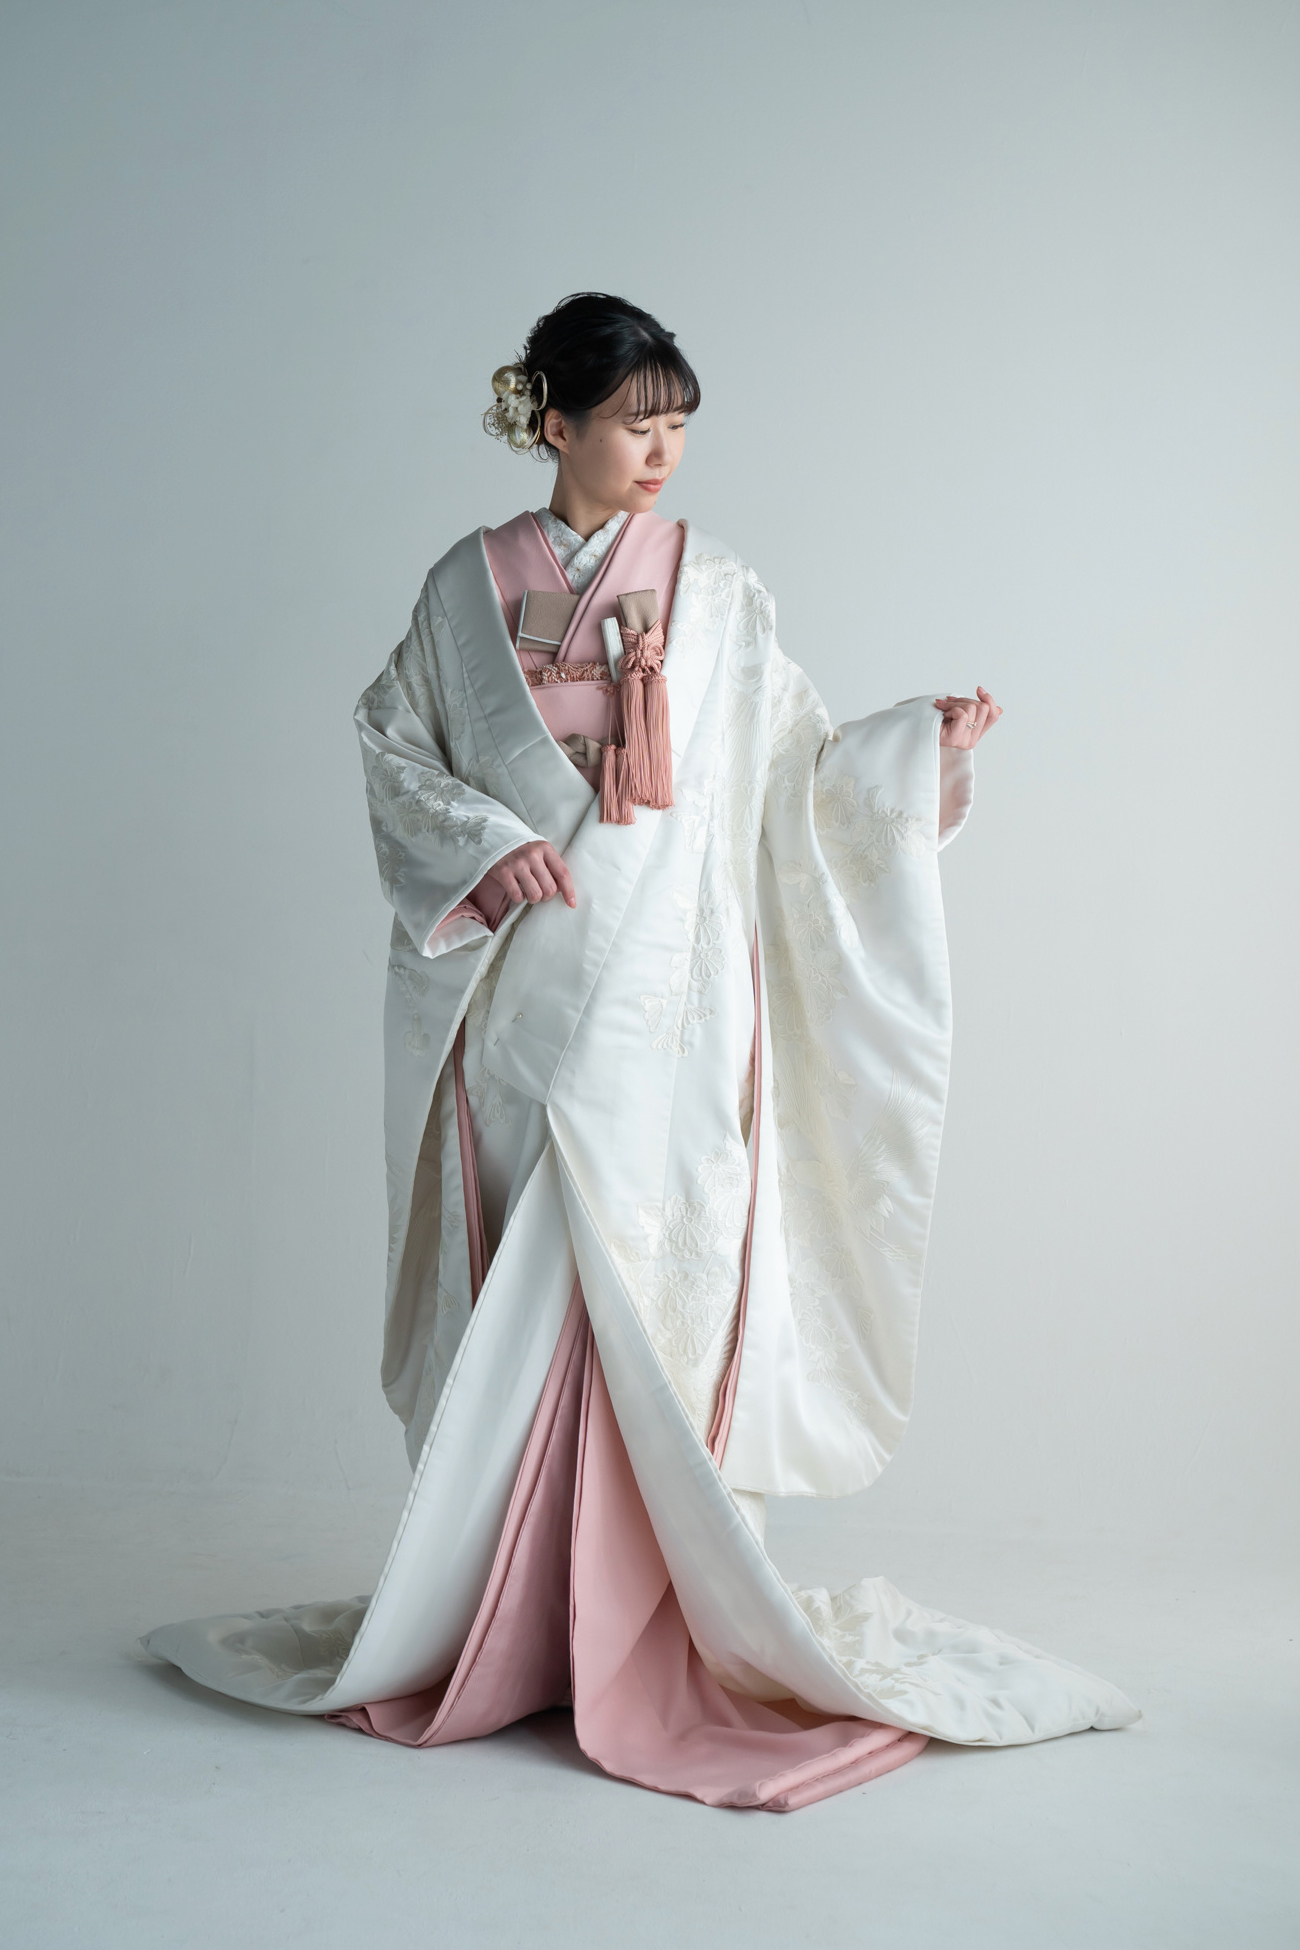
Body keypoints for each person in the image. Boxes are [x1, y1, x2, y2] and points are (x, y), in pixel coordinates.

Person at [144, 294, 1136, 1810]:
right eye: (632, 422)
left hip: (671, 1010)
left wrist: (917, 755)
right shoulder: (465, 589)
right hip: (521, 1002)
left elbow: (799, 784)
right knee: (522, 1291)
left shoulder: (721, 592)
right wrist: (487, 844)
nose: (662, 451)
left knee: (655, 1294)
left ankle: (647, 1621)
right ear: (554, 422)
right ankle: (509, 1622)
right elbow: (393, 743)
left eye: (679, 425)